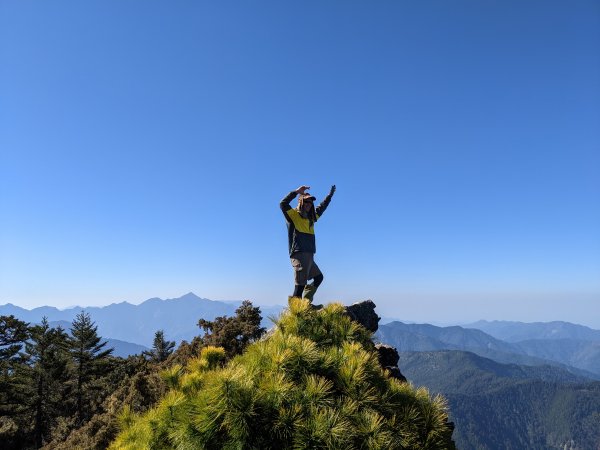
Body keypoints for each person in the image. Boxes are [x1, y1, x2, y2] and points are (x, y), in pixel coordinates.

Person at [280, 184, 336, 302]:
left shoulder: (311, 218)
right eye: (306, 202)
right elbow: (283, 204)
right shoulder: (294, 215)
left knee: (318, 277)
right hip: (298, 254)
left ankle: (305, 302)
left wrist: (329, 196)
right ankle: (295, 313)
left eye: (310, 203)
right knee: (300, 284)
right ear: (300, 202)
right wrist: (296, 192)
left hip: (310, 255)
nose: (308, 204)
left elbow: (322, 207)